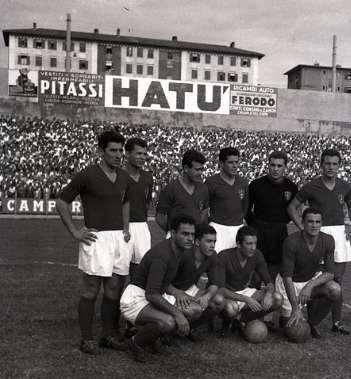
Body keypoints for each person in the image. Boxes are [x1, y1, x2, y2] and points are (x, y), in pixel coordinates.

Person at [56, 130, 131, 354]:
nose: (118, 155)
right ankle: (87, 339)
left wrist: (126, 228)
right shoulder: (87, 175)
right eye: (113, 150)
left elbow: (125, 202)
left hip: (118, 239)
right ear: (101, 151)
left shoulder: (123, 176)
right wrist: (75, 232)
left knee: (113, 290)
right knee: (91, 290)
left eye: (120, 150)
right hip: (96, 238)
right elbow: (62, 202)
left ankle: (108, 335)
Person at [287, 148, 351, 335]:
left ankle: (337, 322)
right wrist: (303, 227)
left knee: (337, 279)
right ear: (321, 165)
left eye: (334, 164)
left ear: (339, 166)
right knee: (315, 278)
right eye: (327, 163)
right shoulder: (311, 186)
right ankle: (313, 322)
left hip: (339, 234)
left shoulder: (345, 186)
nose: (331, 167)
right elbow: (292, 207)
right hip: (317, 234)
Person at [120, 215, 199, 362]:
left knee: (195, 309)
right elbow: (151, 294)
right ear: (173, 233)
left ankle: (151, 337)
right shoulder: (162, 255)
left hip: (154, 294)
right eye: (185, 234)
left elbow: (162, 283)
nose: (190, 238)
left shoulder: (179, 250)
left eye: (192, 234)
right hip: (135, 299)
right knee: (169, 321)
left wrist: (177, 292)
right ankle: (135, 342)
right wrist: (178, 314)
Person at [277, 207, 341, 339]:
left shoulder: (328, 240)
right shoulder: (291, 241)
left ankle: (312, 323)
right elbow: (287, 278)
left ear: (322, 223)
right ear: (303, 222)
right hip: (289, 284)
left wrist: (310, 285)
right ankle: (284, 314)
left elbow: (330, 273)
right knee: (291, 331)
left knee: (335, 289)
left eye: (318, 222)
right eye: (310, 221)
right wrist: (295, 308)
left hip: (308, 280)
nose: (314, 225)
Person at [217, 225, 283, 333]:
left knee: (277, 298)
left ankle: (240, 319)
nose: (253, 247)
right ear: (239, 244)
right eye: (249, 244)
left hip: (244, 291)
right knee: (231, 308)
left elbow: (268, 281)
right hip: (227, 295)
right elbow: (220, 289)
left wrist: (268, 293)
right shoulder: (224, 256)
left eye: (255, 243)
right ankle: (226, 320)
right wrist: (246, 299)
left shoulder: (256, 254)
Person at [166, 223, 226, 340]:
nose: (213, 245)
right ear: (197, 242)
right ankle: (168, 331)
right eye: (209, 241)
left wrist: (207, 296)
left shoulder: (212, 255)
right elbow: (163, 282)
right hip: (170, 291)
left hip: (189, 288)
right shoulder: (183, 254)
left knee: (219, 301)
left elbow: (214, 284)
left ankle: (190, 328)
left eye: (214, 241)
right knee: (195, 309)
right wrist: (178, 293)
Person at [246, 150, 297, 281]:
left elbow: (293, 209)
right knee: (256, 274)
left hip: (279, 232)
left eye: (279, 166)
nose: (275, 169)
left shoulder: (291, 187)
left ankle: (272, 292)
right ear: (268, 165)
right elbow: (247, 209)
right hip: (259, 230)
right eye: (272, 165)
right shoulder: (256, 185)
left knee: (274, 273)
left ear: (285, 167)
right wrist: (254, 224)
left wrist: (282, 222)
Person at [206, 147, 249, 252]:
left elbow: (245, 207)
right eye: (230, 162)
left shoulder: (243, 182)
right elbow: (204, 207)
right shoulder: (210, 182)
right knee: (216, 260)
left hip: (238, 229)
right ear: (221, 163)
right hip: (218, 229)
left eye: (236, 162)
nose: (235, 166)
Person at [155, 149, 209, 234]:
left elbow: (204, 213)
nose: (200, 173)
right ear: (186, 168)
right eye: (197, 169)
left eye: (201, 169)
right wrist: (173, 233)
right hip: (176, 238)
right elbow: (160, 217)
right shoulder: (171, 188)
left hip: (196, 236)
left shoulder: (203, 188)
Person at [123, 137, 154, 279]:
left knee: (140, 273)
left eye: (144, 154)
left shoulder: (148, 177)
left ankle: (134, 294)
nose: (142, 157)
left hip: (142, 226)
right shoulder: (118, 175)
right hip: (121, 226)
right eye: (138, 153)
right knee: (118, 274)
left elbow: (146, 202)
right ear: (127, 153)